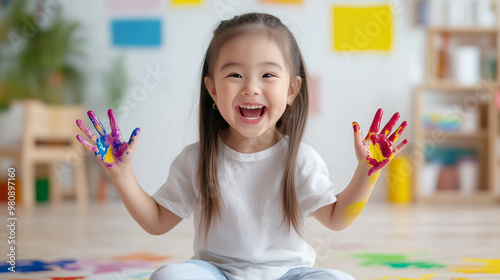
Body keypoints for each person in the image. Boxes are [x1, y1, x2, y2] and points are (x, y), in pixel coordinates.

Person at [76, 12, 408, 280]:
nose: (251, 87)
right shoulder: (196, 159)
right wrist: (121, 173)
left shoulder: (301, 160)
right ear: (212, 89)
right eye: (234, 75)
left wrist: (367, 171)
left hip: (289, 274)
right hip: (214, 272)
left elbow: (336, 218)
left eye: (268, 75)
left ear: (292, 90)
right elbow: (157, 221)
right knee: (168, 277)